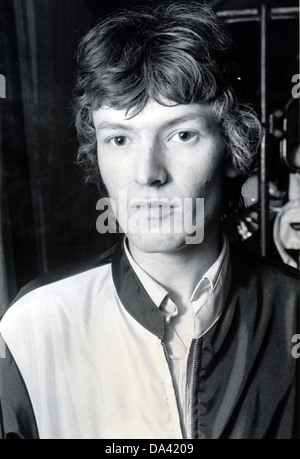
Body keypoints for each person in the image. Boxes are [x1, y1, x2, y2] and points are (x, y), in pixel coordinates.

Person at [0, 1, 299, 440]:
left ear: (234, 145)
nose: (147, 173)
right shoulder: (34, 324)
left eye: (182, 134)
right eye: (119, 138)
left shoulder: (292, 316)